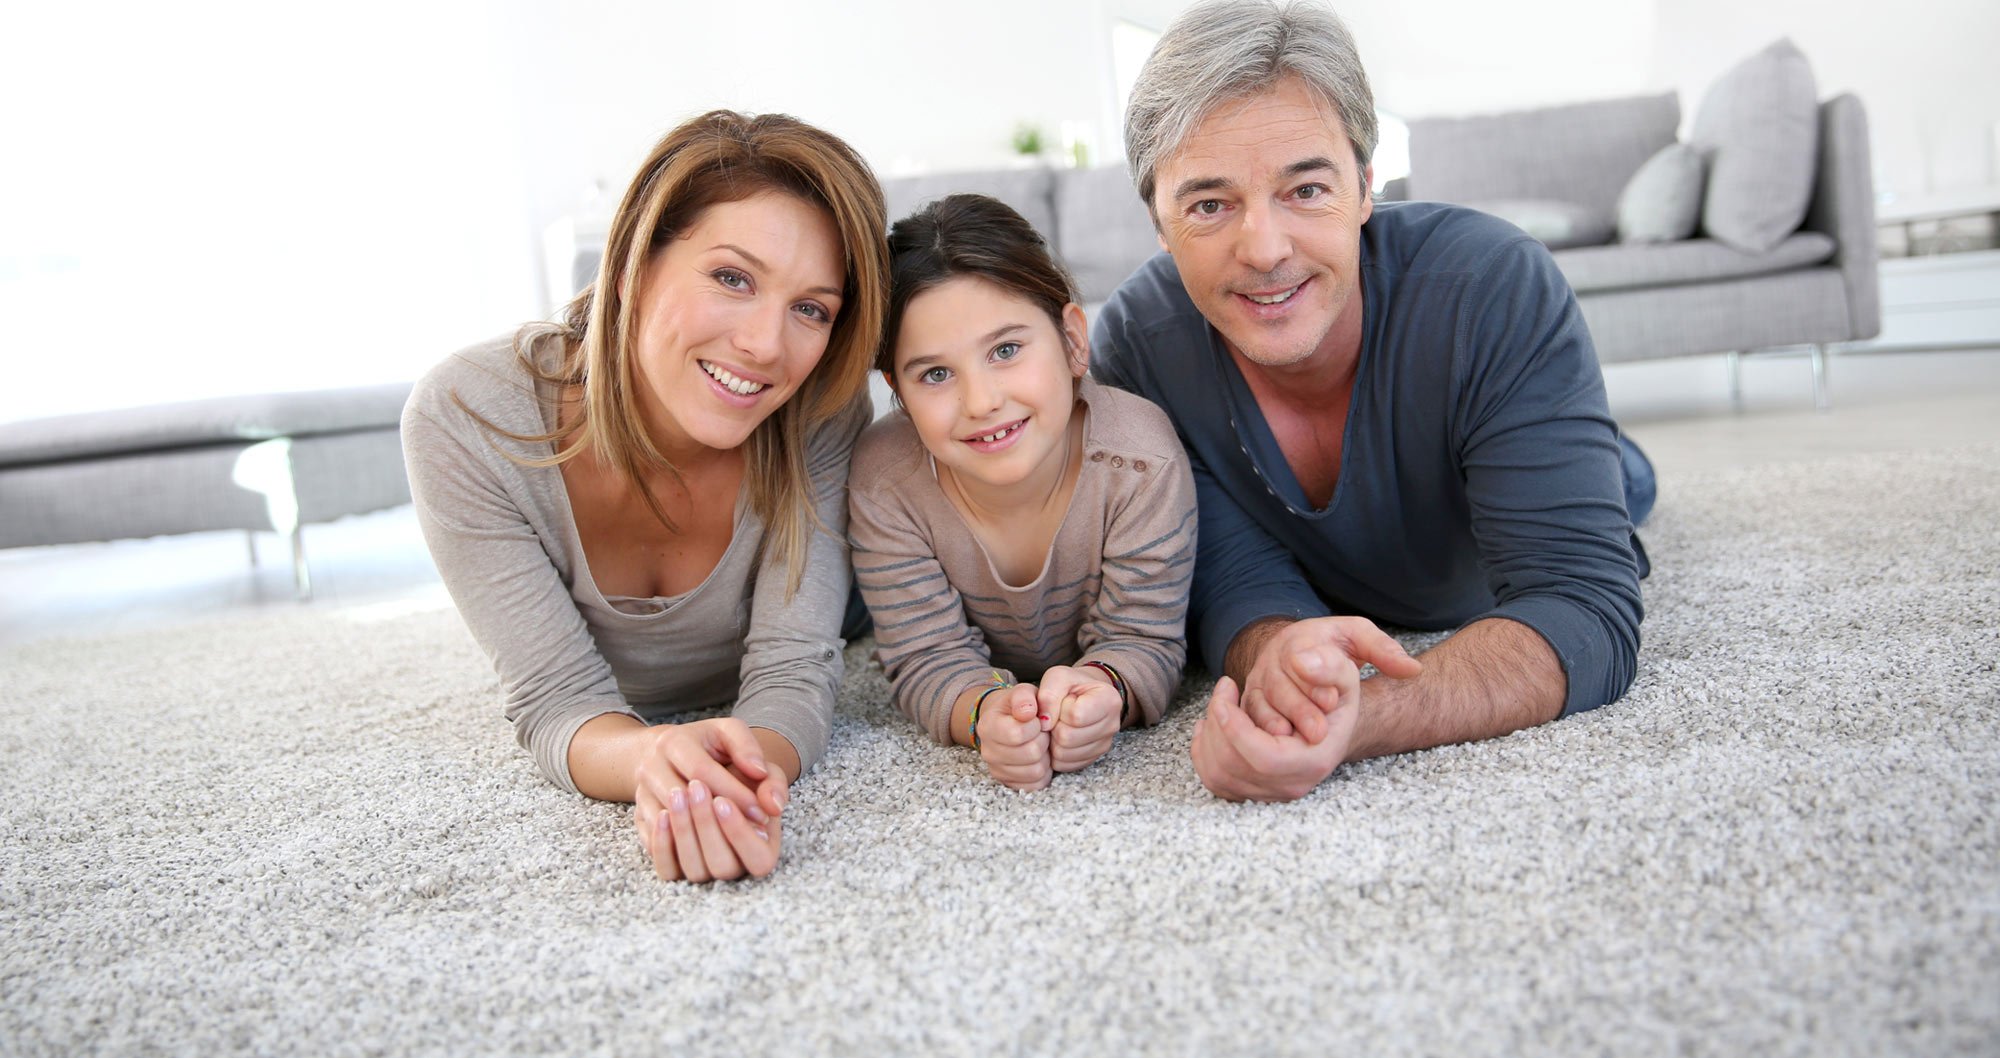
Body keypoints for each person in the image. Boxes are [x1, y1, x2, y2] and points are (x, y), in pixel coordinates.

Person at [1091, 0, 1653, 802]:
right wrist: (1280, 664)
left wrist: (1358, 721)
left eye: (1306, 188)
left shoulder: (1491, 286)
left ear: (1364, 185)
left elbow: (1585, 605)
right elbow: (1227, 578)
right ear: (1158, 218)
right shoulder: (1139, 344)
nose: (1265, 249)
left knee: (1622, 486)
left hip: (1505, 498)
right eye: (1209, 205)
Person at [401, 111, 888, 880]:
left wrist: (733, 786)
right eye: (733, 278)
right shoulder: (465, 417)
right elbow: (559, 701)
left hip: (852, 607)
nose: (767, 345)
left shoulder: (820, 406)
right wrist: (654, 756)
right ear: (632, 265)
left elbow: (796, 671)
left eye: (810, 309)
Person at [848, 194, 1197, 791]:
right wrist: (985, 714)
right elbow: (924, 655)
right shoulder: (886, 481)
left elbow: (1144, 638)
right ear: (897, 392)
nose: (981, 401)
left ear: (1070, 341)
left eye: (1006, 350)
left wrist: (1103, 691)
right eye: (935, 374)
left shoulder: (1142, 462)